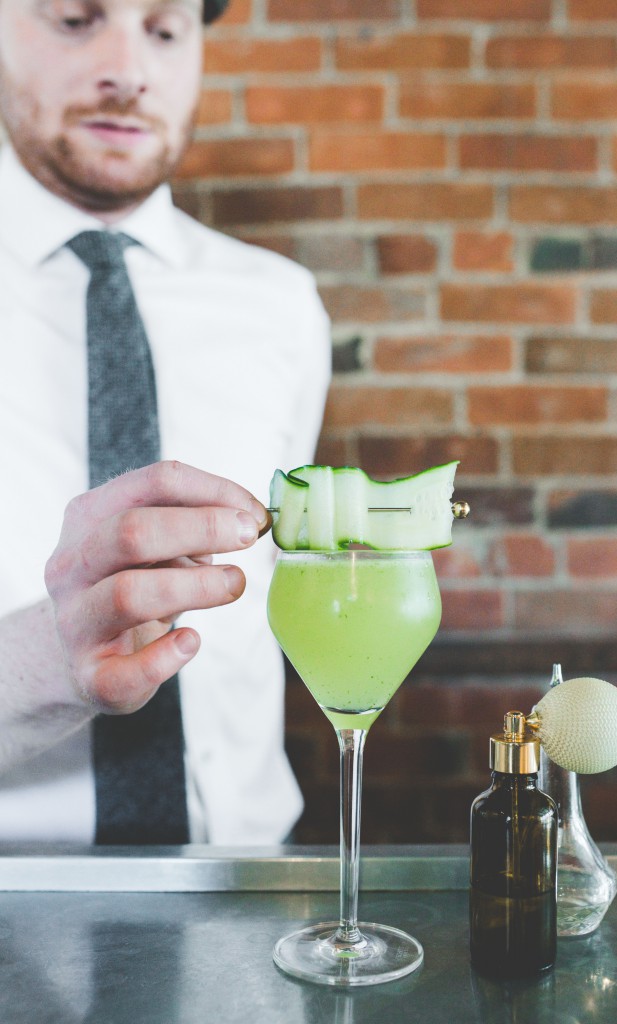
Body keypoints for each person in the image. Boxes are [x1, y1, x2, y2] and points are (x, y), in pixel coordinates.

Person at [0, 0, 331, 843]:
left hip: (249, 890)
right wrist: (52, 656)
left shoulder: (279, 306)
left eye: (163, 30)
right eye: (76, 20)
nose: (128, 68)